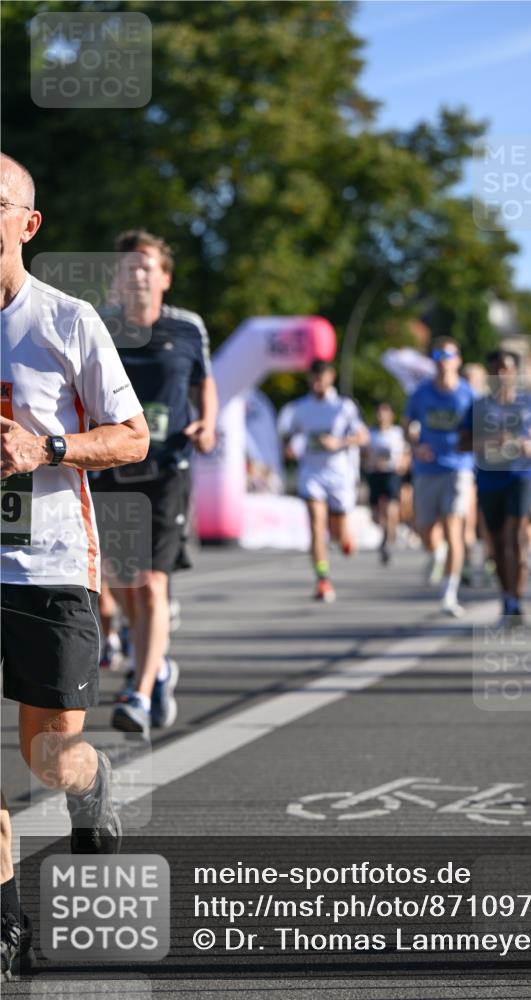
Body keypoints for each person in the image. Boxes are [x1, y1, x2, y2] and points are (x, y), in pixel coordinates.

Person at [0, 153, 149, 979]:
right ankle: (6, 923)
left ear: (28, 223)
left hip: (49, 568)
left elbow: (133, 437)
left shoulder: (65, 320)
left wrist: (45, 448)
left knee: (49, 756)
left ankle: (90, 786)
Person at [93, 230, 218, 739]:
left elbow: (203, 382)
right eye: (128, 267)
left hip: (167, 469)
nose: (137, 274)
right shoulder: (98, 325)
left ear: (165, 277)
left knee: (152, 581)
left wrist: (207, 424)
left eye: (146, 266)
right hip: (112, 467)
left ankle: (140, 694)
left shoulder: (187, 327)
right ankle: (159, 665)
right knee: (121, 579)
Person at [461, 349, 531, 626]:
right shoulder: (479, 406)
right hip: (490, 480)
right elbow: (462, 443)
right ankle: (506, 596)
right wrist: (491, 442)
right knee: (498, 544)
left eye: (506, 369)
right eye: (496, 370)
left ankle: (517, 599)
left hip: (522, 475)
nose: (501, 374)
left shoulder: (530, 402)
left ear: (515, 373)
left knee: (516, 535)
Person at [278, 360, 368, 602]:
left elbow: (363, 436)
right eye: (314, 376)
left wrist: (339, 442)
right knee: (316, 525)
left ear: (331, 377)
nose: (317, 381)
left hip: (339, 474)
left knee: (339, 534)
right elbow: (289, 435)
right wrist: (289, 447)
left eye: (322, 376)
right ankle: (323, 580)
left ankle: (345, 539)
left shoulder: (343, 406)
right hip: (312, 473)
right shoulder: (300, 408)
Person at [404, 337, 476, 616]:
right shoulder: (421, 392)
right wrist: (414, 446)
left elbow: (481, 429)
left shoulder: (468, 394)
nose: (443, 361)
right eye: (438, 355)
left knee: (452, 528)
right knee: (425, 530)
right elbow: (407, 424)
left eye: (448, 355)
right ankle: (437, 554)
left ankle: (449, 593)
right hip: (427, 469)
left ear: (458, 360)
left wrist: (470, 441)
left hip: (458, 468)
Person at [363, 402, 410, 564]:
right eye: (378, 413)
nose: (381, 416)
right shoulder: (370, 433)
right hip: (374, 474)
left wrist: (402, 464)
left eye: (384, 413)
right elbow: (363, 454)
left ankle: (389, 542)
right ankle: (385, 534)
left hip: (392, 474)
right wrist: (369, 461)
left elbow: (406, 453)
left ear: (391, 415)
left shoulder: (397, 433)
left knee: (391, 509)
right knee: (376, 515)